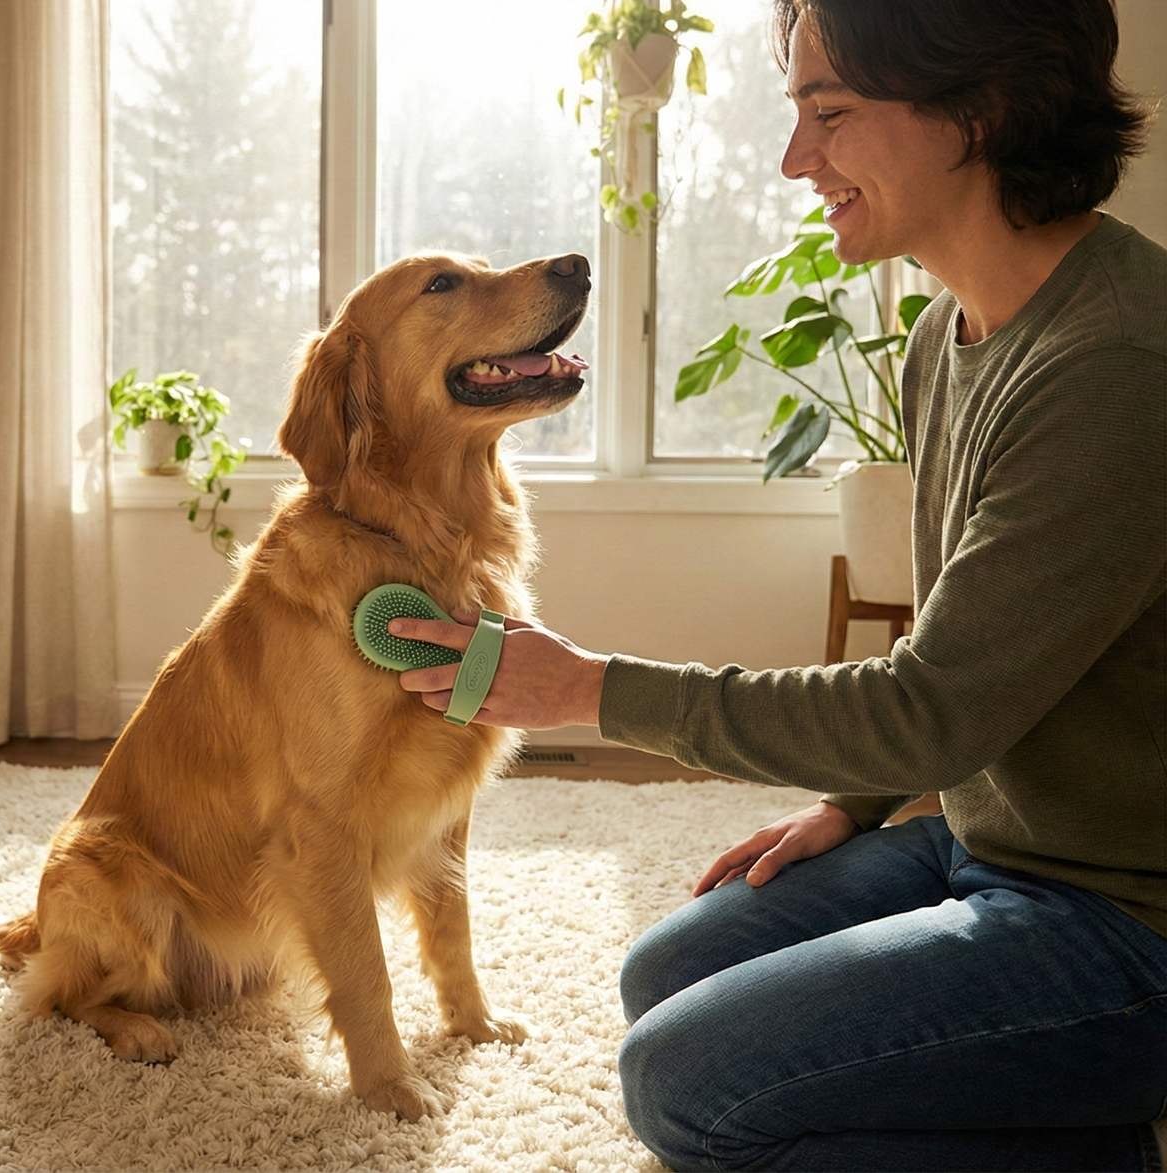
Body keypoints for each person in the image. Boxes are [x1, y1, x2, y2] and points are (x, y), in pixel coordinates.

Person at [390, 0, 1167, 1167]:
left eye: (829, 113)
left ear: (979, 110)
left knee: (682, 1088)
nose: (796, 158)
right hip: (991, 843)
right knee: (667, 976)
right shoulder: (943, 338)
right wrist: (850, 804)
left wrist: (587, 688)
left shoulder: (1114, 364)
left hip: (1128, 919)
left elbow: (929, 708)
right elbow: (967, 658)